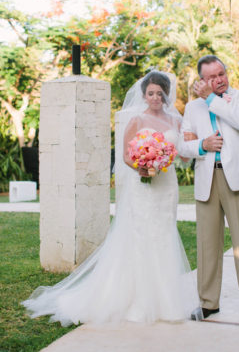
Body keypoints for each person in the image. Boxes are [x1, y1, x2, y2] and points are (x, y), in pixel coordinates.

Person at [22, 71, 199, 325]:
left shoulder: (176, 121)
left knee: (164, 236)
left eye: (160, 93)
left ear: (166, 95)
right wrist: (141, 165)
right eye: (151, 93)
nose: (155, 98)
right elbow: (127, 155)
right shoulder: (137, 120)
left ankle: (166, 302)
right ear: (144, 95)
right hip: (144, 186)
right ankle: (140, 301)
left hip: (166, 186)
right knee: (141, 238)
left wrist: (185, 147)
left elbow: (182, 155)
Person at [178, 55, 239, 327]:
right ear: (202, 80)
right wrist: (202, 145)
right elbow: (182, 148)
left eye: (221, 74)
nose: (219, 79)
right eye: (212, 77)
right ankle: (208, 303)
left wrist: (210, 99)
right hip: (207, 180)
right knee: (207, 246)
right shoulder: (192, 109)